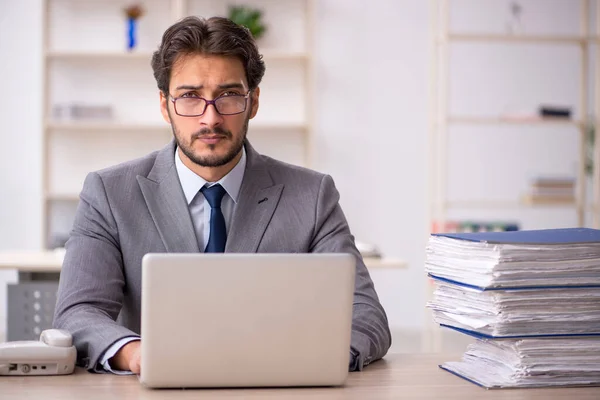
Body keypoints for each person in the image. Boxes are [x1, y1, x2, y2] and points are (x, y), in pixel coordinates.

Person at [53, 16, 391, 375]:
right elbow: (78, 311)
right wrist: (138, 355)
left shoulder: (312, 195)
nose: (209, 118)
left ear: (254, 101)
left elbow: (366, 315)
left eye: (228, 95)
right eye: (189, 97)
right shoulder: (109, 193)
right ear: (165, 105)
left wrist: (308, 360)